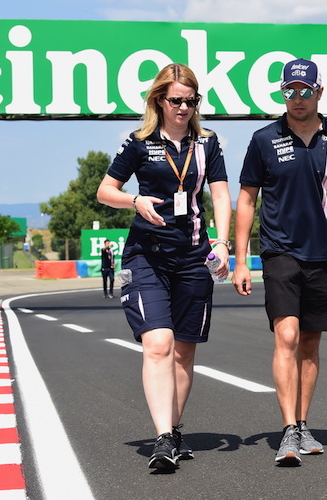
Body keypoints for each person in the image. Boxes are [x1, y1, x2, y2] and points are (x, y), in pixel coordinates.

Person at [232, 58, 327, 466]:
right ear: (283, 93)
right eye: (289, 91)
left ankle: (302, 424)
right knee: (287, 338)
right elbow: (246, 200)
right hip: (279, 252)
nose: (296, 99)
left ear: (319, 92)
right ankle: (286, 432)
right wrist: (240, 259)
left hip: (324, 256)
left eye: (304, 91)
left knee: (311, 345)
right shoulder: (264, 139)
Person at [97, 63, 231, 469]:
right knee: (158, 344)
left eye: (192, 101)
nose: (184, 108)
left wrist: (223, 244)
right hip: (147, 255)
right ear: (159, 99)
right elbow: (105, 191)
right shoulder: (138, 142)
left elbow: (221, 196)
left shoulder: (208, 144)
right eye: (177, 100)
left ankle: (173, 431)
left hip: (193, 256)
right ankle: (162, 438)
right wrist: (133, 200)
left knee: (183, 351)